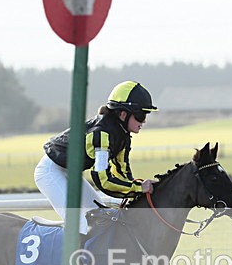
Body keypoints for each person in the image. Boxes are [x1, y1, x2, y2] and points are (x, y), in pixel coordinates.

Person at [35, 80, 158, 233]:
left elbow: (122, 173)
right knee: (81, 225)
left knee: (101, 218)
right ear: (123, 114)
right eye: (140, 115)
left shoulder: (123, 135)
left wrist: (139, 188)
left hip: (70, 173)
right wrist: (138, 188)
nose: (144, 121)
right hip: (50, 172)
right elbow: (103, 180)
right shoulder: (101, 135)